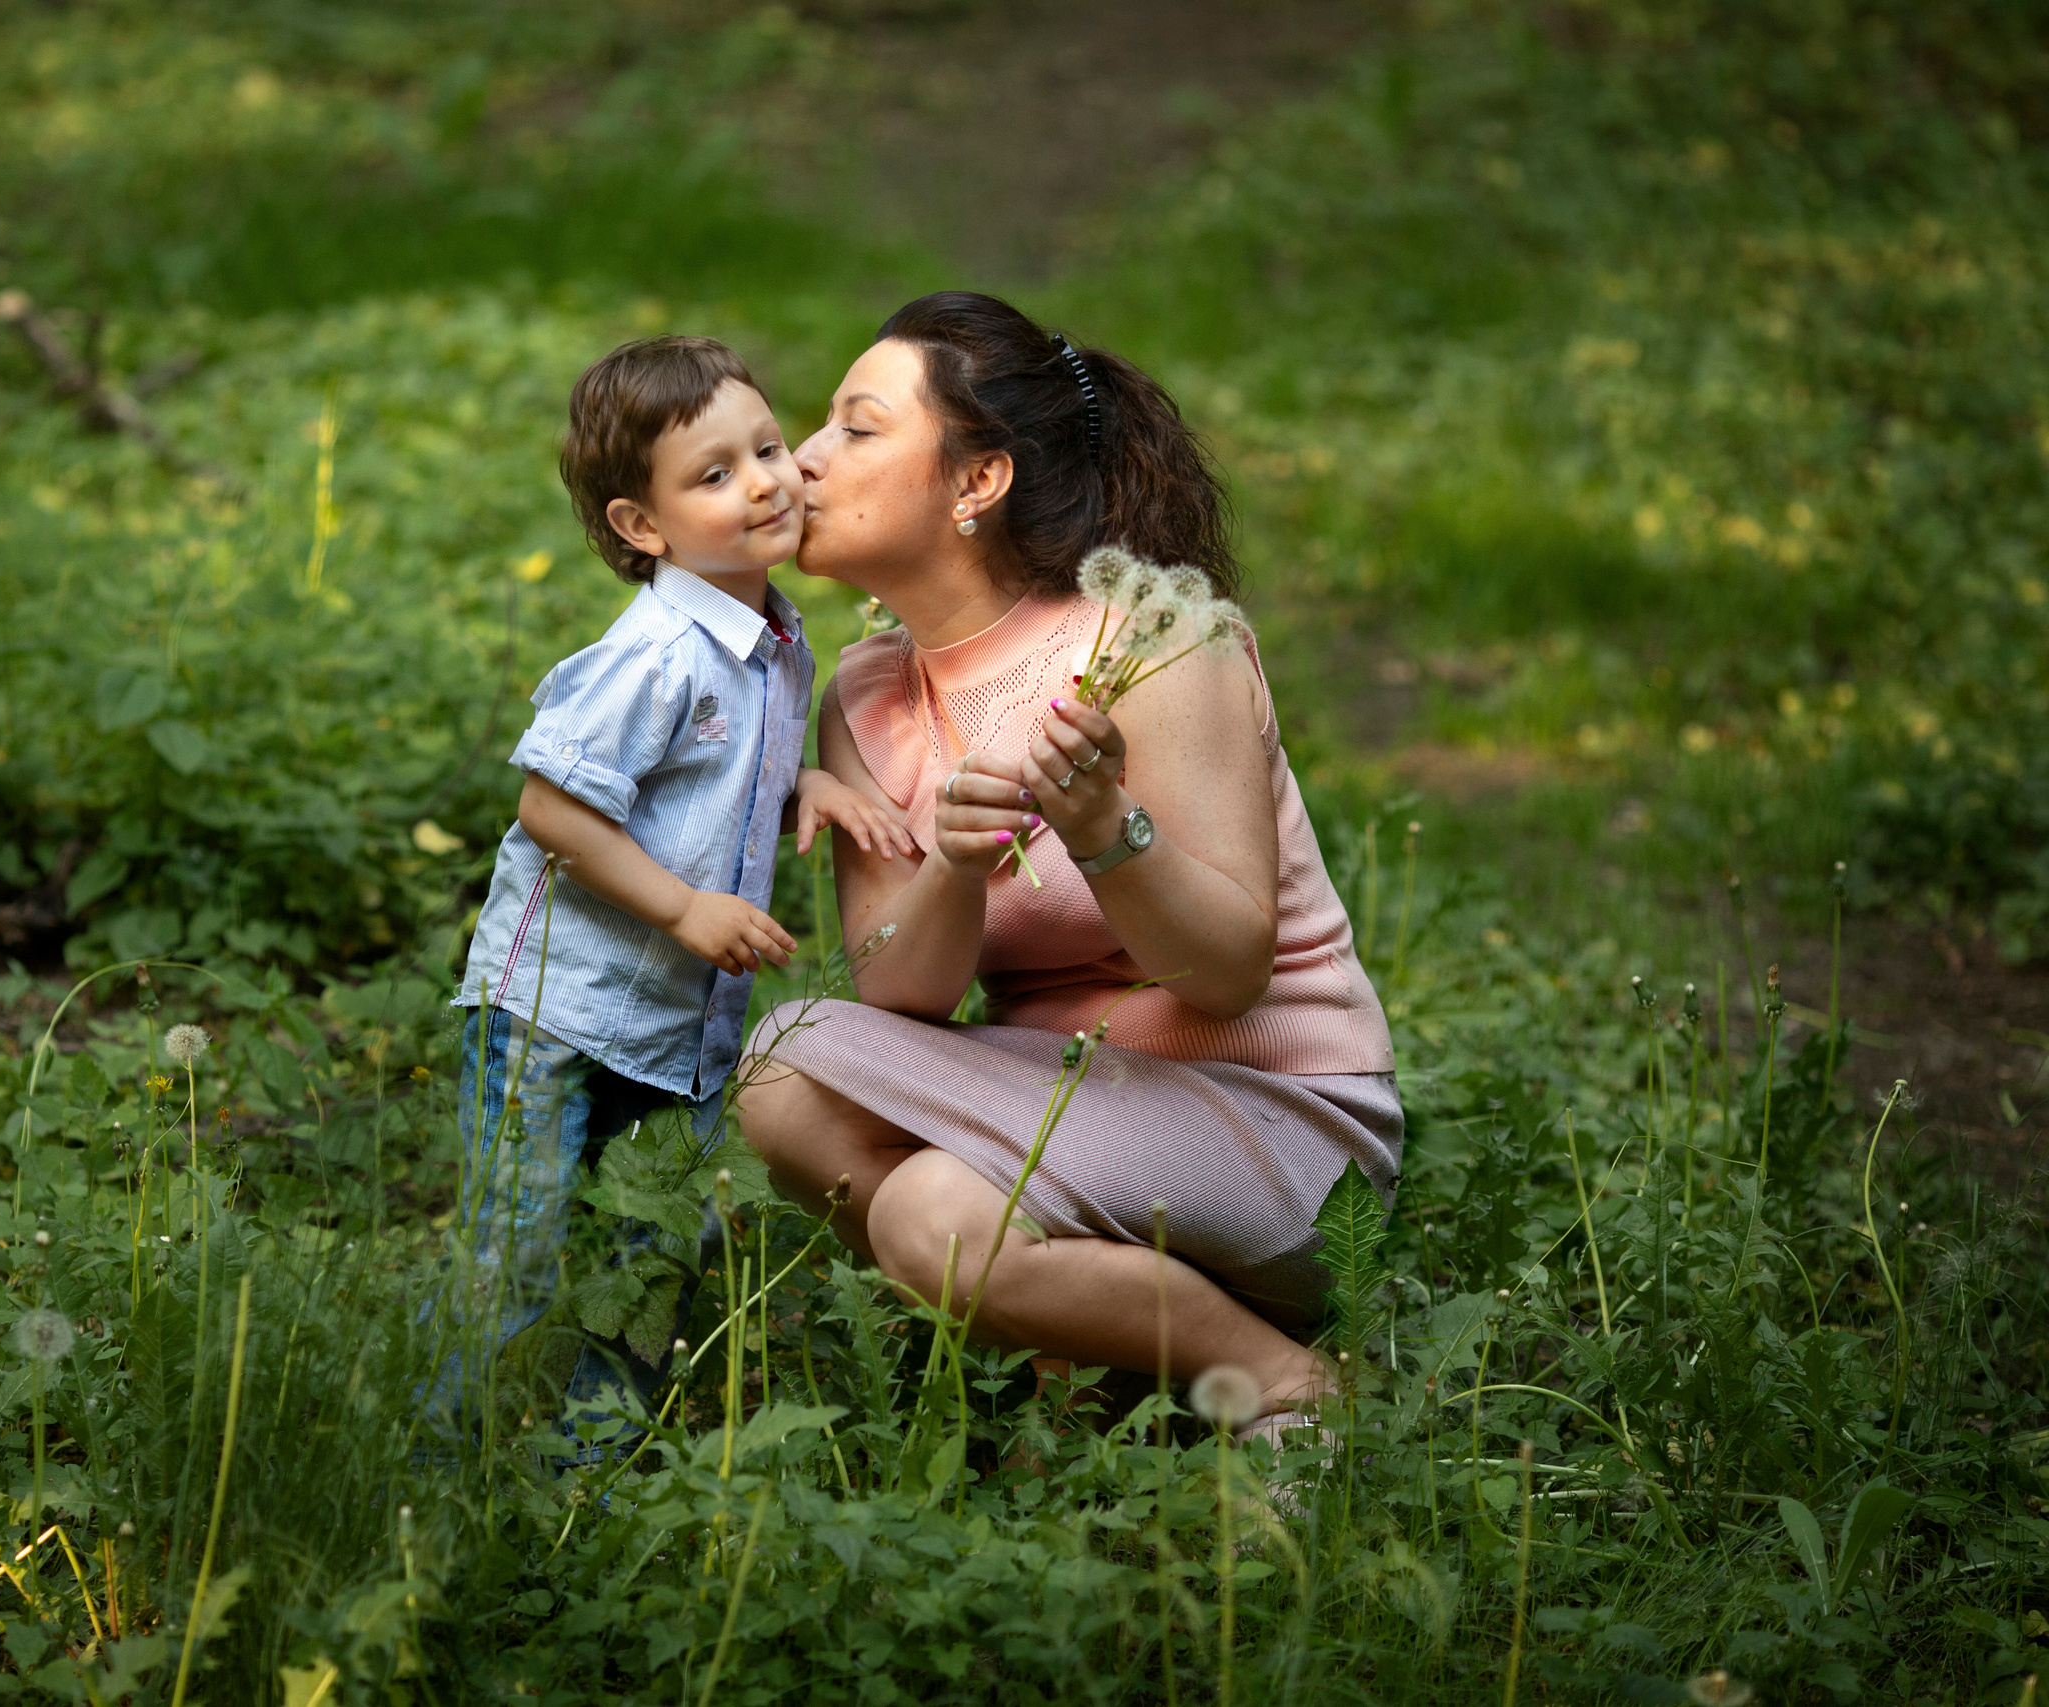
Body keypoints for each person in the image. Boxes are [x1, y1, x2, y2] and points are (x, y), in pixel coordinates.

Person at [738, 292, 1398, 1435]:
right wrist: (949, 862)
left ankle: (1284, 1382)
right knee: (793, 1074)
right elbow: (901, 993)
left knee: (925, 1211)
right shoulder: (862, 696)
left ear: (974, 483)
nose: (803, 459)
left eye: (855, 426)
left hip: (1274, 1122)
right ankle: (1079, 1353)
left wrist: (1102, 832)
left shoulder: (1151, 640)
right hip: (1063, 1119)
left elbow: (1231, 972)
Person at [449, 335, 912, 1439]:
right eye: (713, 475)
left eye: (764, 448)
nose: (762, 481)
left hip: (670, 1024)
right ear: (641, 527)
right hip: (556, 1010)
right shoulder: (653, 652)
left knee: (651, 1252)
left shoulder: (774, 635)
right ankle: (447, 1450)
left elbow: (700, 765)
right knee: (518, 1240)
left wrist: (796, 783)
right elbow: (553, 811)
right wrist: (684, 907)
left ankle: (594, 1465)